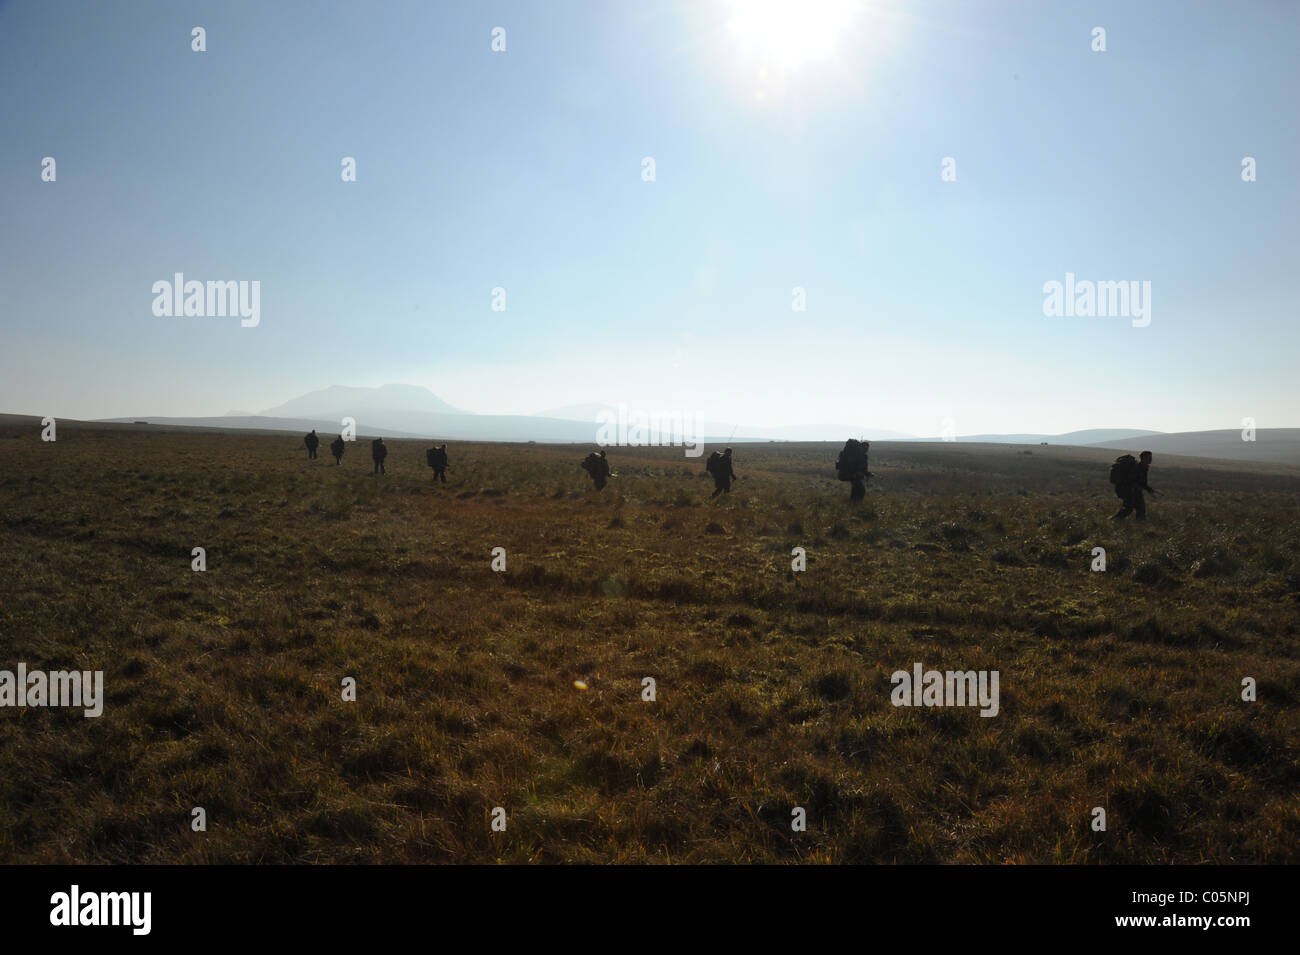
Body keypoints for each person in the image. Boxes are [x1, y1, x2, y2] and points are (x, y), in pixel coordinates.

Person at [1111, 450, 1156, 520]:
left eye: (1151, 458)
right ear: (1143, 458)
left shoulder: (1144, 467)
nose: (1151, 459)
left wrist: (1150, 490)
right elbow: (1130, 481)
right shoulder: (1136, 467)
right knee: (1128, 509)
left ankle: (1140, 524)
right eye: (1149, 457)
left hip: (1134, 490)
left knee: (1140, 509)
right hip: (1126, 490)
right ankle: (1114, 520)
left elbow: (1142, 483)